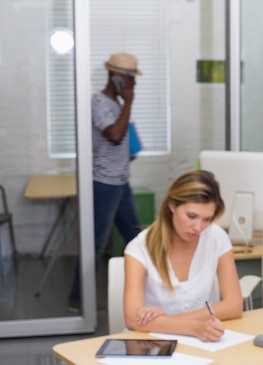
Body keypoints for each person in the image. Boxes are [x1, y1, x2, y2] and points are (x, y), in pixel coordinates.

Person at [123, 170, 243, 341]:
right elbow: (132, 319)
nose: (198, 227)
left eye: (207, 219)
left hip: (204, 341)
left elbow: (234, 306)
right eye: (191, 216)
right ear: (172, 206)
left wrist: (165, 322)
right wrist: (194, 328)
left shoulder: (216, 237)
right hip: (153, 345)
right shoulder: (139, 248)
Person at [68, 52, 144, 312]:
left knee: (137, 238)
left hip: (119, 183)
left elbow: (119, 142)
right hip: (104, 185)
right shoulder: (99, 102)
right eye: (130, 80)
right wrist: (130, 103)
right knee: (95, 244)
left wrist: (129, 150)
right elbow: (112, 135)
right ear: (117, 78)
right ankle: (78, 300)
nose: (134, 86)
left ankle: (146, 295)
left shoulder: (116, 105)